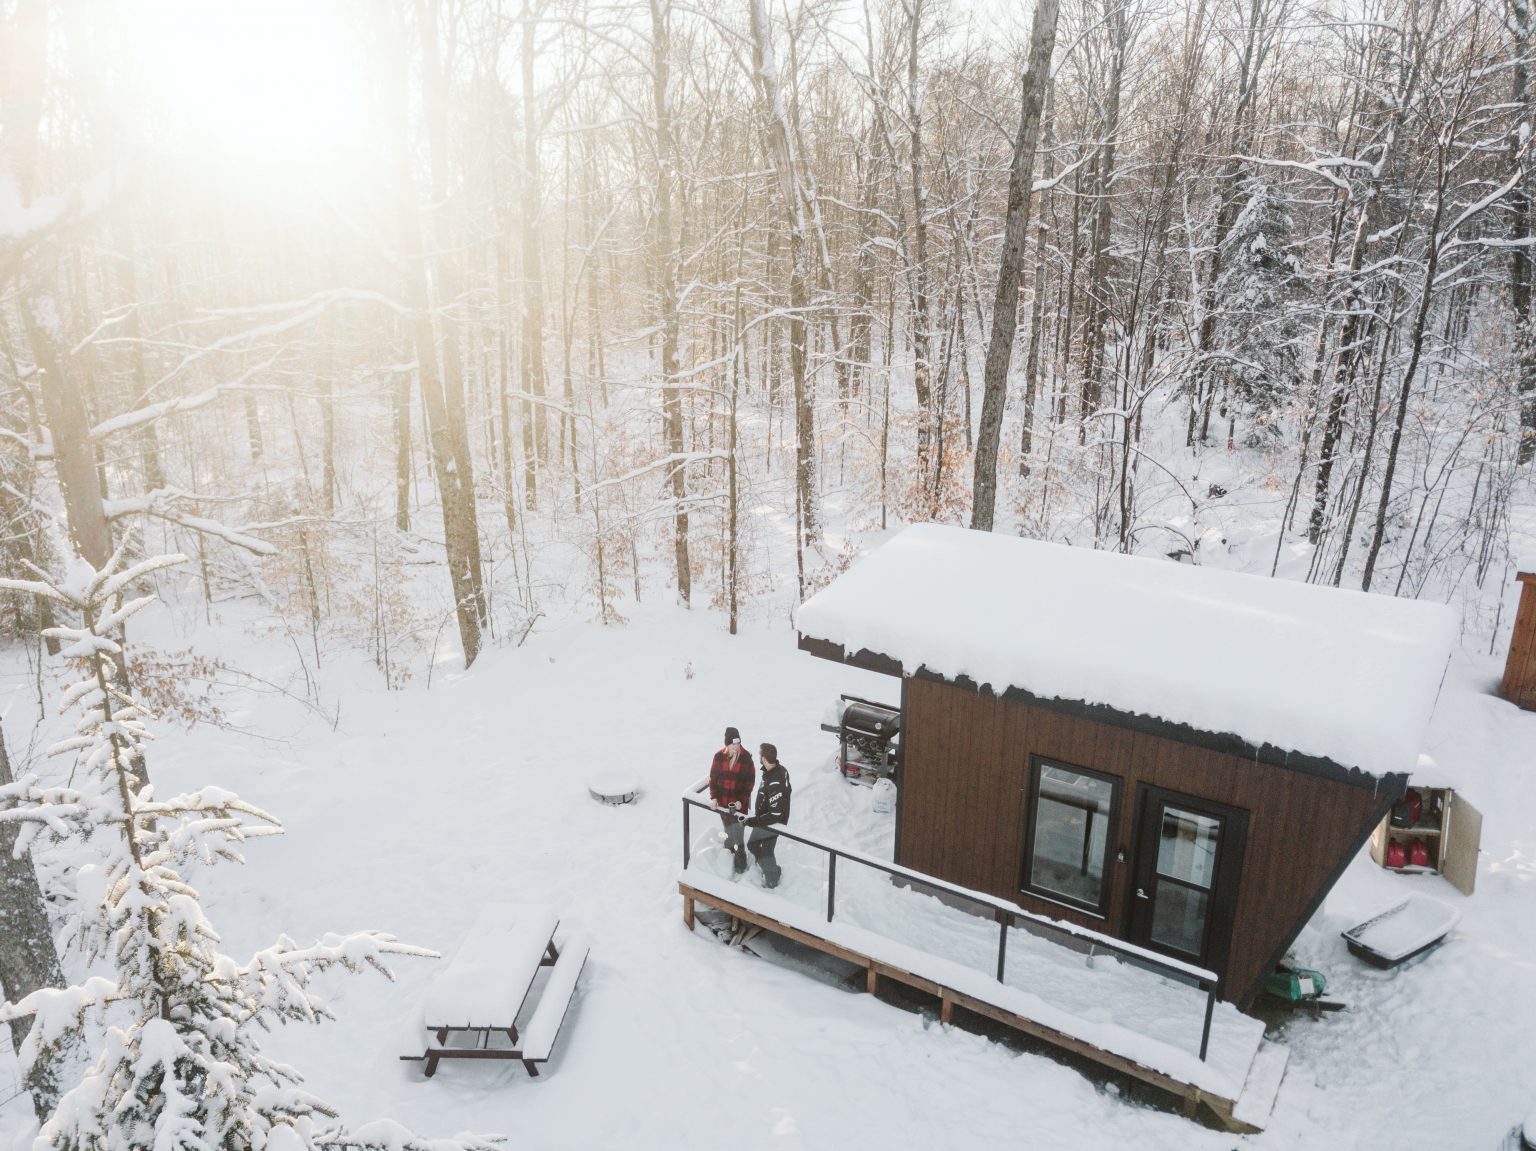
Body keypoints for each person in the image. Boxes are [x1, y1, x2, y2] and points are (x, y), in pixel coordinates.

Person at [709, 726, 755, 874]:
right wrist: (714, 797)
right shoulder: (718, 757)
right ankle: (728, 853)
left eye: (738, 743)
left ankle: (740, 861)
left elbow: (750, 783)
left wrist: (742, 800)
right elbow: (713, 779)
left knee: (738, 835)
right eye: (733, 744)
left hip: (738, 807)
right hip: (723, 804)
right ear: (727, 744)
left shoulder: (746, 758)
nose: (736, 747)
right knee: (728, 831)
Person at [746, 742, 791, 888]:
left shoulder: (775, 781)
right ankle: (769, 868)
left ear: (764, 758)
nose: (758, 756)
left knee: (766, 850)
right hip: (765, 820)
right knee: (753, 844)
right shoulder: (778, 771)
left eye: (759, 754)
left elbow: (775, 814)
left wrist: (754, 821)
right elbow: (788, 791)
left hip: (771, 823)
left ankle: (772, 879)